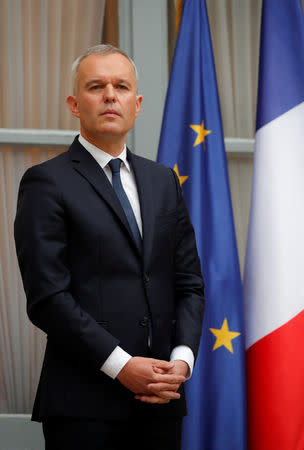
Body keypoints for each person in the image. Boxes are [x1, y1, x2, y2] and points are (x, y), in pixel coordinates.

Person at [14, 44, 205, 450]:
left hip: (161, 402)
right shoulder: (45, 182)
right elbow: (48, 297)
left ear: (136, 105)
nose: (109, 95)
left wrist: (183, 360)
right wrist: (121, 366)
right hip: (84, 407)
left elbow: (189, 283)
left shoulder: (162, 181)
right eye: (96, 86)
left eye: (121, 87)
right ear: (74, 104)